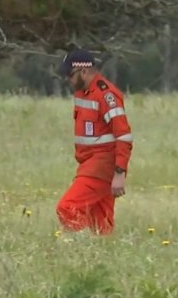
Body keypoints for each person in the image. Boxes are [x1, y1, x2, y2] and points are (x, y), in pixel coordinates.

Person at [55, 49, 134, 235]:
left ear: (83, 71)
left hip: (100, 166)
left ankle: (80, 248)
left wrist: (119, 173)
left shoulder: (106, 95)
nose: (68, 80)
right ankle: (101, 256)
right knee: (101, 225)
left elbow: (123, 136)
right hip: (88, 163)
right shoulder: (82, 93)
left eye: (70, 75)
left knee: (67, 207)